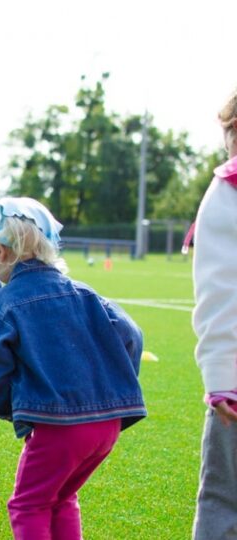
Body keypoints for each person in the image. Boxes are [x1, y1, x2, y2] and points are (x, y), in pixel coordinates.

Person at [0, 197, 146, 540]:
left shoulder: (4, 302)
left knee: (28, 505)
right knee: (62, 497)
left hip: (59, 426)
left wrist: (8, 406)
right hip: (107, 425)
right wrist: (114, 387)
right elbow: (131, 335)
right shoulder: (86, 293)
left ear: (2, 252)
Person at [191, 89, 237, 540]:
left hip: (236, 387)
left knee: (223, 501)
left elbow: (220, 286)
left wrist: (221, 374)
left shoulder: (229, 188)